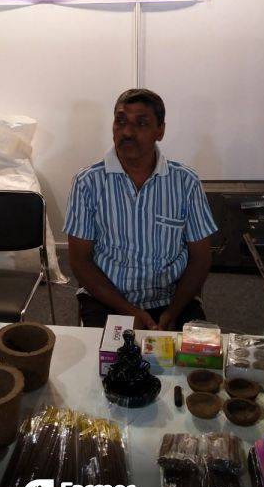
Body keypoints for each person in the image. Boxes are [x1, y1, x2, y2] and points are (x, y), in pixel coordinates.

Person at [64, 88, 217, 331]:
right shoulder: (88, 183)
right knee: (105, 366)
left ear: (160, 131)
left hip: (172, 300)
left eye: (141, 123)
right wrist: (129, 311)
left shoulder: (185, 182)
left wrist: (173, 311)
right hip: (107, 299)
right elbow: (79, 261)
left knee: (189, 365)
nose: (127, 132)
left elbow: (201, 257)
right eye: (120, 121)